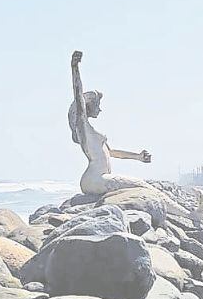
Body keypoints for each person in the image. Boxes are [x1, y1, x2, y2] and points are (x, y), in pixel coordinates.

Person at [66, 50, 158, 196]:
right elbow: (78, 96)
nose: (100, 109)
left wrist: (138, 157)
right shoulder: (83, 127)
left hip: (99, 179)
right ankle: (190, 215)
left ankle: (189, 213)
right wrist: (75, 68)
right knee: (142, 186)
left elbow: (112, 153)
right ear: (88, 106)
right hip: (94, 179)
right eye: (98, 105)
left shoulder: (93, 133)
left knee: (142, 187)